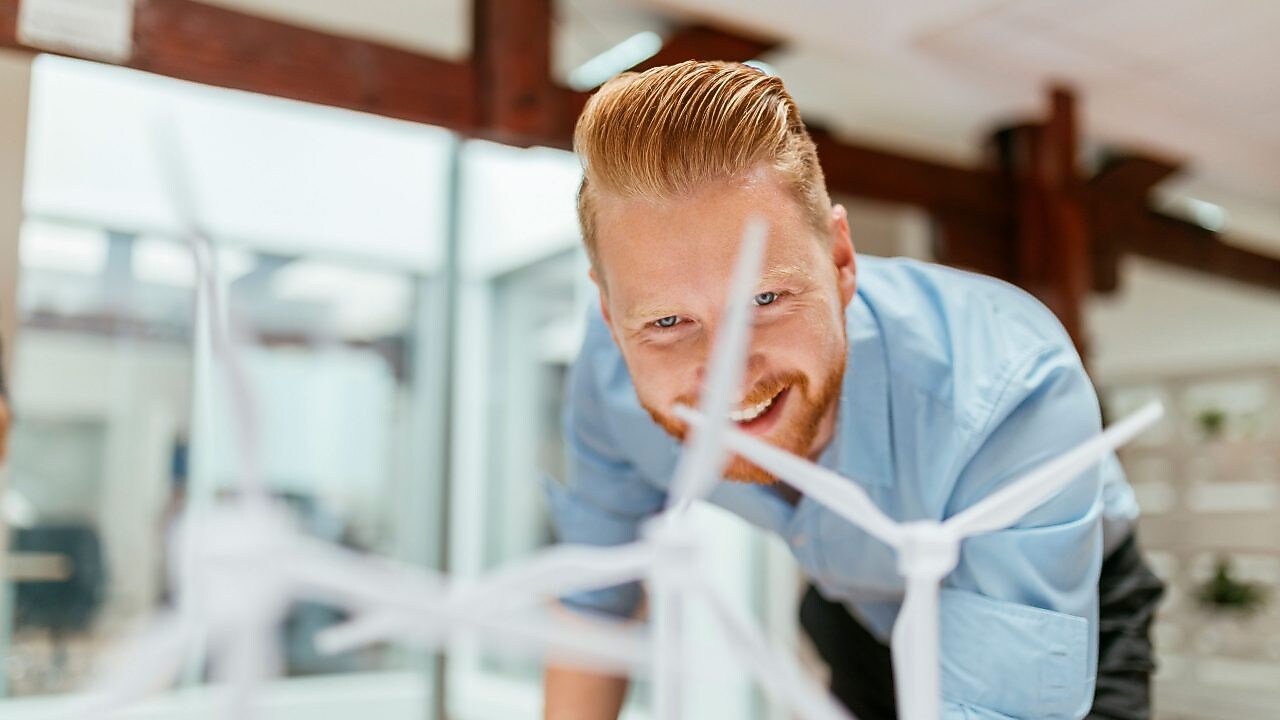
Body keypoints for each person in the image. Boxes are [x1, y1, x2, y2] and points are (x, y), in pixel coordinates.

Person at [543, 61, 1163, 720]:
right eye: (669, 322)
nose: (729, 373)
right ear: (613, 318)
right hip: (860, 607)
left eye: (766, 297)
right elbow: (595, 604)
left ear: (841, 262)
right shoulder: (610, 376)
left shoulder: (1011, 386)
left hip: (1050, 590)